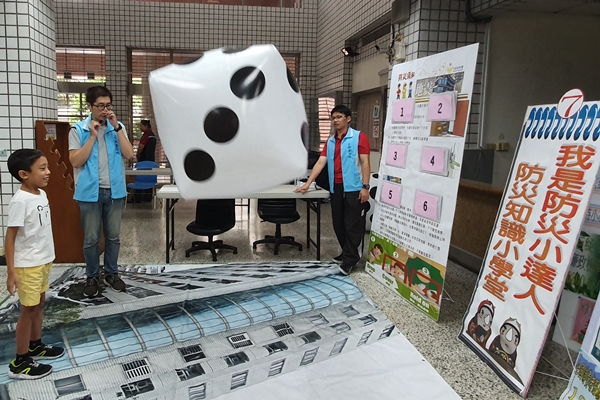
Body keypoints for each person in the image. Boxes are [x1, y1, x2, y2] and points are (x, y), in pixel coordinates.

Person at [69, 86, 134, 297]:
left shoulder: (117, 128)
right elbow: (75, 161)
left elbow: (129, 154)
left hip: (115, 192)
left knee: (113, 237)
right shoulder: (78, 130)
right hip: (89, 193)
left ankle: (111, 274)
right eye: (100, 106)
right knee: (91, 238)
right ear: (89, 106)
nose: (105, 110)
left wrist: (117, 127)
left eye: (108, 105)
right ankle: (92, 276)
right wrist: (92, 136)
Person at [6, 149, 65, 379]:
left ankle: (35, 345)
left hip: (42, 261)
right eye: (42, 168)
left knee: (38, 304)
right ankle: (20, 362)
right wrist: (11, 272)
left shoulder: (41, 194)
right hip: (28, 265)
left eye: (47, 167)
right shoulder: (20, 201)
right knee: (28, 310)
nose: (48, 172)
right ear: (24, 174)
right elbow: (10, 237)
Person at [295, 105, 370, 275]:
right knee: (338, 224)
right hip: (336, 187)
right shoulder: (330, 141)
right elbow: (320, 162)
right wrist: (308, 183)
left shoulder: (358, 137)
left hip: (354, 187)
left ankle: (350, 259)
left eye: (339, 117)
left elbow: (365, 162)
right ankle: (347, 252)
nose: (335, 120)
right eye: (333, 118)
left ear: (348, 119)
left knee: (352, 225)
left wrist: (365, 186)